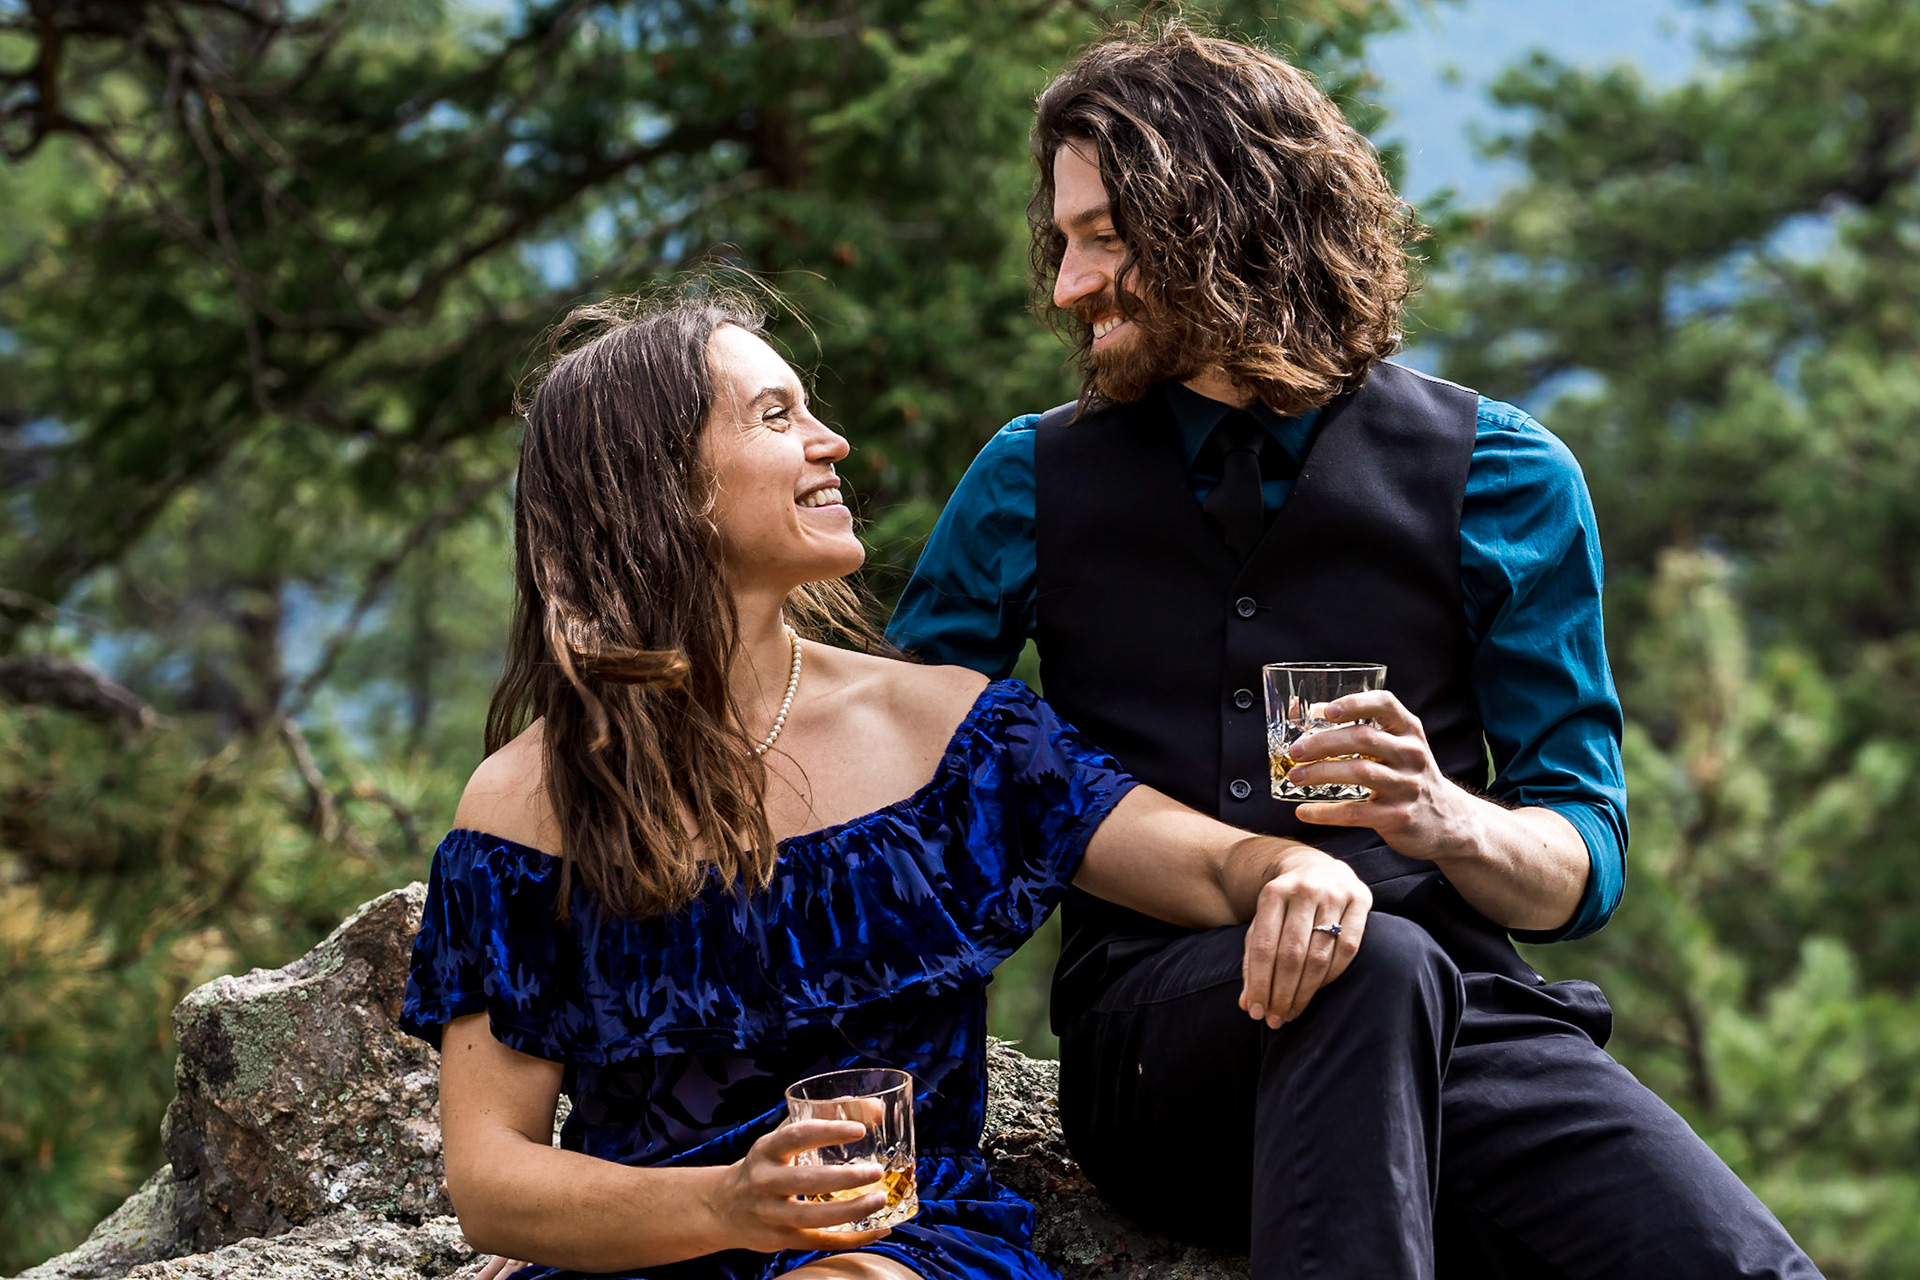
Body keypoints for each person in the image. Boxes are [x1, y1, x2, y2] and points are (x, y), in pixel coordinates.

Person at [889, 24, 1821, 1280]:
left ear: (1225, 221)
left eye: (1103, 235)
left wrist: (1446, 816)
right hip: (1168, 1036)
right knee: (1365, 959)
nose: (1065, 283)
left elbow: (1581, 861)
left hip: (1467, 1022)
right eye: (1062, 239)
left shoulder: (1505, 474)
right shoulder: (1027, 480)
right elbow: (901, 780)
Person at [399, 292, 1390, 1280]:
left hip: (895, 1245)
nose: (831, 440)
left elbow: (1213, 867)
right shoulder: (527, 797)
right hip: (647, 1245)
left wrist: (1294, 871)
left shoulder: (949, 728)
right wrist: (727, 1202)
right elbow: (492, 1180)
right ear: (659, 481)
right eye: (776, 416)